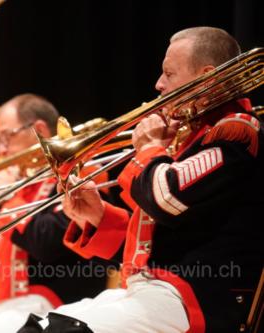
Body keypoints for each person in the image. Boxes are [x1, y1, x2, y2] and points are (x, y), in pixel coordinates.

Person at [15, 27, 264, 333]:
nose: (159, 84)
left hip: (197, 299)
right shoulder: (190, 139)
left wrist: (148, 149)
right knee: (33, 328)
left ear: (208, 77)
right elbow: (159, 241)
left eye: (169, 74)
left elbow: (165, 199)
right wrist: (100, 216)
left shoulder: (236, 133)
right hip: (153, 290)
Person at [0, 94, 117, 333]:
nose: (2, 150)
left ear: (38, 129)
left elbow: (47, 244)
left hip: (55, 306)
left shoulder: (82, 171)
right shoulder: (20, 181)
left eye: (7, 137)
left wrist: (7, 200)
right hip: (5, 305)